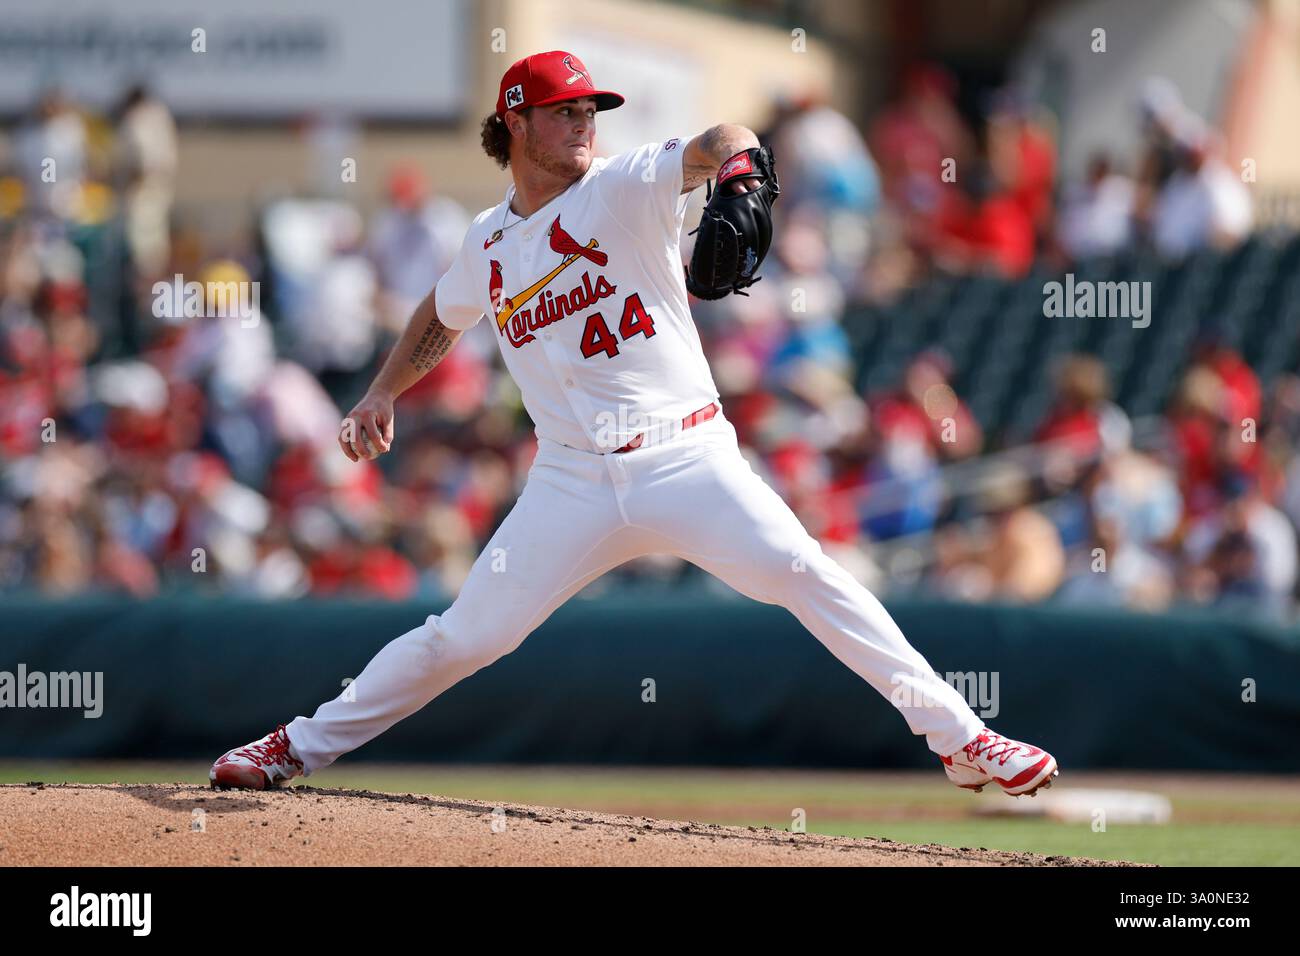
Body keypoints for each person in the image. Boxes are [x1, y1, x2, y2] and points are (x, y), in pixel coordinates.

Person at [210, 51, 1058, 799]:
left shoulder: (623, 185)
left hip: (685, 455)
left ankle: (963, 738)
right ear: (516, 120)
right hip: (571, 479)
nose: (584, 124)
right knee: (466, 636)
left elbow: (725, 135)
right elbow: (443, 306)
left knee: (805, 570)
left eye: (590, 110)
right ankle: (297, 746)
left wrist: (739, 175)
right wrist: (383, 392)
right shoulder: (488, 242)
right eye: (565, 111)